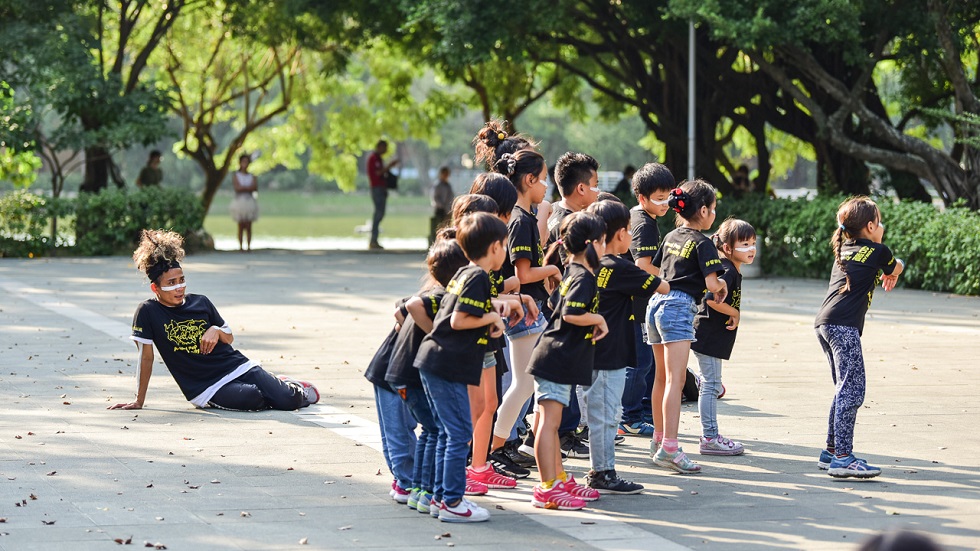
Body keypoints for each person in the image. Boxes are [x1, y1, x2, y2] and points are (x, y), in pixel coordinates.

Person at [110, 230, 318, 412]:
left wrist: (216, 330)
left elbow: (229, 338)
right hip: (205, 387)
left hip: (237, 366)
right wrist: (139, 400)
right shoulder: (147, 311)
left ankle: (286, 385)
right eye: (171, 283)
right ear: (155, 288)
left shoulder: (200, 302)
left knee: (289, 400)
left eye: (181, 280)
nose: (179, 288)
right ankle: (274, 386)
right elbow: (146, 358)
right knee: (253, 398)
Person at [414, 212, 508, 523]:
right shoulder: (479, 277)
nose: (505, 251)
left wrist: (489, 321)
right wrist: (493, 319)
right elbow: (458, 320)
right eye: (505, 245)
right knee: (458, 433)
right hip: (445, 364)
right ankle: (453, 502)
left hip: (435, 360)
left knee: (446, 432)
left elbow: (463, 314)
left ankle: (441, 498)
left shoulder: (464, 273)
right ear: (494, 247)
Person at [580, 199, 668, 493]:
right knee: (607, 416)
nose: (632, 237)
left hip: (591, 351)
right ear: (618, 234)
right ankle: (602, 472)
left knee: (600, 414)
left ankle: (600, 469)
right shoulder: (620, 266)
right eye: (630, 231)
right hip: (611, 353)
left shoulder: (588, 263)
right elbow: (662, 286)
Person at [815, 196, 903, 478]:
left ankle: (831, 451)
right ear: (870, 225)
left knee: (843, 388)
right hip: (843, 326)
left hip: (825, 323)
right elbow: (895, 267)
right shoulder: (878, 251)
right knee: (853, 390)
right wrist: (894, 268)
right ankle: (843, 458)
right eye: (879, 221)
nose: (882, 226)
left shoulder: (845, 247)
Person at [527, 211, 607, 510]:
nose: (604, 248)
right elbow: (572, 313)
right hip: (556, 359)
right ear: (591, 244)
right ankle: (547, 487)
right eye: (602, 242)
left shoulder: (573, 271)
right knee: (548, 425)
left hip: (556, 358)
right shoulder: (583, 277)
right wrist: (598, 318)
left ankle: (557, 478)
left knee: (550, 424)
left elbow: (553, 305)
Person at [487, 150, 562, 466]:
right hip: (523, 311)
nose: (546, 186)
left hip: (526, 308)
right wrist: (553, 270)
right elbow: (522, 275)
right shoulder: (520, 220)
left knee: (531, 383)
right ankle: (496, 446)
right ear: (529, 180)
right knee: (529, 384)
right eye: (543, 179)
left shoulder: (524, 217)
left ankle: (506, 445)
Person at [647, 179, 728, 474]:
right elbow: (711, 283)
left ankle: (658, 441)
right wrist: (721, 286)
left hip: (655, 304)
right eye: (714, 209)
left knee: (660, 378)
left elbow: (659, 269)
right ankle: (670, 447)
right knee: (676, 381)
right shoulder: (704, 243)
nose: (714, 214)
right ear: (704, 210)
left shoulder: (671, 236)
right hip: (679, 308)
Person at [385, 239, 471, 512]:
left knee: (430, 431)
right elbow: (409, 306)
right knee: (442, 431)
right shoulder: (441, 297)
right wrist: (436, 331)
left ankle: (421, 491)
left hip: (403, 375)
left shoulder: (438, 292)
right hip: (414, 376)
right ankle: (438, 494)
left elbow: (400, 309)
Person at [541, 151, 601, 459]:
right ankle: (564, 435)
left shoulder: (560, 216)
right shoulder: (570, 223)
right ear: (580, 188)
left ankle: (568, 432)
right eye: (595, 183)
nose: (597, 190)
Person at [691, 218, 757, 456]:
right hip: (708, 335)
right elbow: (710, 298)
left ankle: (710, 435)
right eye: (745, 244)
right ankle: (709, 437)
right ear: (727, 248)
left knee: (712, 384)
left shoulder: (729, 267)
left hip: (712, 336)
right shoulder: (726, 269)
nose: (751, 249)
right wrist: (734, 312)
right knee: (711, 386)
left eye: (753, 243)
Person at [620, 163, 674, 437]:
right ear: (642, 198)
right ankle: (628, 417)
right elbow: (642, 265)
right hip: (634, 303)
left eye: (668, 197)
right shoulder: (644, 224)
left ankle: (639, 412)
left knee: (647, 362)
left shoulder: (642, 217)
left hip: (639, 302)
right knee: (640, 362)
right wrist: (671, 277)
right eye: (659, 199)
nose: (665, 204)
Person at [364, 300, 417, 504]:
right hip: (393, 373)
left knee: (396, 430)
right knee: (398, 430)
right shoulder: (431, 302)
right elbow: (401, 309)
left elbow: (402, 308)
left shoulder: (429, 300)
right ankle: (406, 482)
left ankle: (401, 479)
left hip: (390, 370)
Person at [367, 140, 400, 250]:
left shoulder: (379, 159)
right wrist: (389, 166)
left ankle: (374, 239)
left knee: (380, 213)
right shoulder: (373, 159)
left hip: (381, 188)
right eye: (384, 148)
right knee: (378, 213)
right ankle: (373, 240)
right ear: (380, 147)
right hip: (377, 188)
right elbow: (378, 173)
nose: (385, 150)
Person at [229, 154, 259, 252]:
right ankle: (241, 247)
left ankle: (249, 246)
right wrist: (247, 188)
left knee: (249, 225)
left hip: (249, 201)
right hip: (240, 201)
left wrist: (244, 188)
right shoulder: (236, 175)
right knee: (241, 225)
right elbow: (237, 188)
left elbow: (254, 187)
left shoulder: (252, 176)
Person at [429, 166, 455, 244]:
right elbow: (435, 198)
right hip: (441, 210)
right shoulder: (438, 185)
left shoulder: (448, 185)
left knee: (447, 228)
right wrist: (443, 206)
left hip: (448, 210)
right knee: (440, 229)